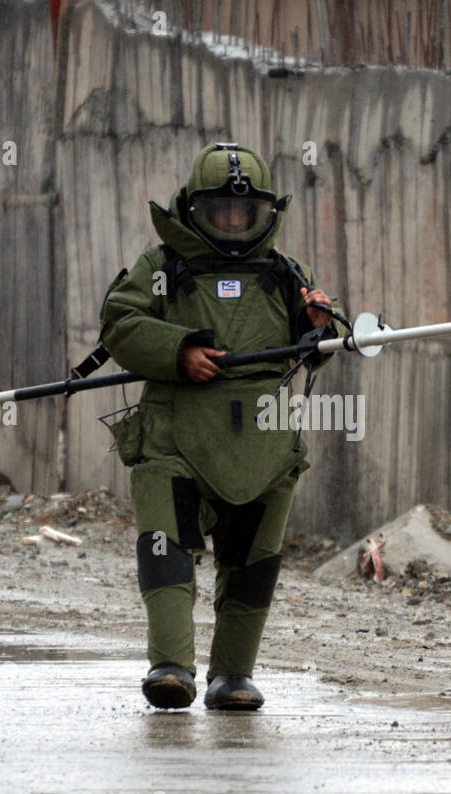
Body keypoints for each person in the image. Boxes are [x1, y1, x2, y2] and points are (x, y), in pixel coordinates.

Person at [98, 142, 343, 711]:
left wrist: (318, 325)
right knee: (167, 552)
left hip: (264, 444)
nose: (234, 223)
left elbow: (315, 350)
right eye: (221, 212)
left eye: (244, 212)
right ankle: (171, 669)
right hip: (172, 440)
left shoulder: (287, 274)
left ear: (262, 212)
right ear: (194, 209)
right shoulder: (162, 268)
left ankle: (232, 676)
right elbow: (120, 323)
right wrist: (179, 351)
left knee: (252, 565)